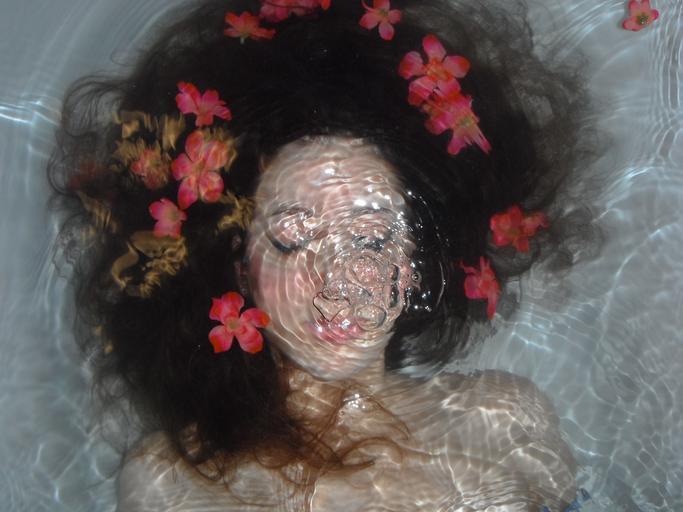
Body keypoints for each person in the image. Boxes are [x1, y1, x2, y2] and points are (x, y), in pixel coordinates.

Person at [49, 0, 597, 509]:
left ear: (412, 267)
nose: (337, 280)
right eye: (294, 238)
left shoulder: (506, 423)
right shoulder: (170, 481)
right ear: (240, 269)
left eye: (371, 239)